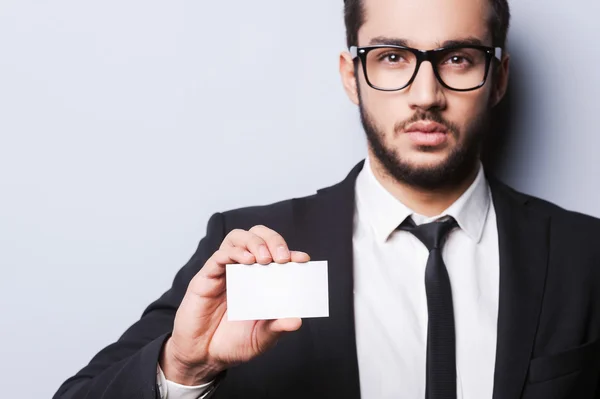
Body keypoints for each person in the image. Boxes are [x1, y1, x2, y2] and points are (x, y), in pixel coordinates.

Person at [53, 0, 600, 397]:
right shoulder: (251, 250)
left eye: (458, 58)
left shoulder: (585, 253)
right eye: (391, 57)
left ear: (498, 77)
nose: (426, 94)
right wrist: (184, 367)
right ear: (350, 75)